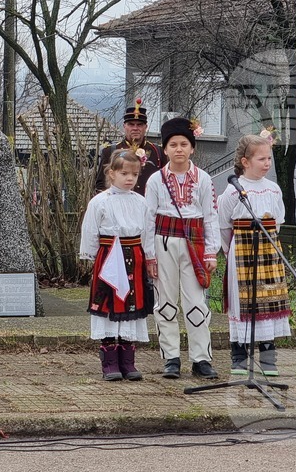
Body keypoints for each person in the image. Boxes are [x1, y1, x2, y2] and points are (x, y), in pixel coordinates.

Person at [144, 116, 219, 380]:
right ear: (164, 149)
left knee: (196, 301)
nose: (178, 149)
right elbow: (148, 218)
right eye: (173, 144)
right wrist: (149, 255)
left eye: (184, 144)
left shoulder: (204, 179)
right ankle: (171, 358)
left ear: (192, 148)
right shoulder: (155, 180)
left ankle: (201, 359)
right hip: (163, 241)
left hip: (194, 243)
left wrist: (211, 251)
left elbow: (210, 216)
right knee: (165, 301)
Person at [79, 150, 157, 381]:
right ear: (111, 173)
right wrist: (94, 259)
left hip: (134, 256)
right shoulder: (100, 202)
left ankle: (128, 361)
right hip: (109, 258)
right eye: (124, 173)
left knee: (131, 304)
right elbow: (90, 231)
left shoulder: (141, 202)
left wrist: (150, 258)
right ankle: (109, 363)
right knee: (109, 304)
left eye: (134, 174)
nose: (129, 178)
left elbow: (148, 234)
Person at [218, 134, 291, 376]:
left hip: (268, 249)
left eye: (269, 158)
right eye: (262, 159)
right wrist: (231, 251)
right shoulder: (232, 191)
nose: (267, 163)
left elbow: (278, 222)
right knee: (244, 302)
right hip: (242, 249)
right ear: (245, 161)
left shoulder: (273, 189)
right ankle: (239, 355)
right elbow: (224, 227)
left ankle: (268, 355)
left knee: (267, 299)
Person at [94, 98, 164, 195]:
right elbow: (101, 186)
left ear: (146, 127)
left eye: (139, 125)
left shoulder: (158, 151)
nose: (135, 128)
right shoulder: (110, 151)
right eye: (131, 124)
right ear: (124, 126)